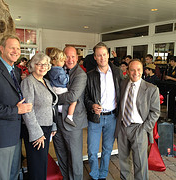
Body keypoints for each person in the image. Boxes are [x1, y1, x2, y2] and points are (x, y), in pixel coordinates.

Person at [0, 34, 33, 180]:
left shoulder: (16, 71)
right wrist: (17, 110)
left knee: (14, 174)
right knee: (2, 176)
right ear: (1, 49)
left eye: (18, 48)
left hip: (16, 133)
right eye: (12, 48)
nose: (16, 51)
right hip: (1, 135)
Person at [114, 59, 160, 180]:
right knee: (124, 160)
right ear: (128, 71)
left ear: (143, 70)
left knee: (140, 162)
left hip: (139, 128)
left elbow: (155, 112)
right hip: (123, 127)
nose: (135, 73)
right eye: (132, 70)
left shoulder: (151, 88)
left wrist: (144, 129)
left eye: (138, 69)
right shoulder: (123, 83)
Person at [84, 42, 121, 180]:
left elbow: (122, 92)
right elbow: (85, 97)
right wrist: (92, 105)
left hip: (112, 117)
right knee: (92, 151)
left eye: (104, 54)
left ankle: (103, 174)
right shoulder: (90, 75)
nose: (102, 58)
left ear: (108, 55)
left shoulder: (117, 72)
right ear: (95, 57)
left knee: (107, 149)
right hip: (95, 118)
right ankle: (94, 175)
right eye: (99, 55)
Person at [21, 53, 58, 180]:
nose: (43, 67)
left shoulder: (45, 81)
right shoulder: (28, 82)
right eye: (39, 64)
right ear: (32, 66)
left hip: (46, 129)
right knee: (37, 167)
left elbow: (51, 105)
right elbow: (27, 110)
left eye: (45, 64)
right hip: (36, 130)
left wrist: (53, 125)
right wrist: (37, 133)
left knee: (42, 165)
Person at [53, 46, 88, 180]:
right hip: (57, 119)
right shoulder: (57, 69)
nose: (70, 59)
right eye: (67, 56)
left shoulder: (80, 74)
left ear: (77, 58)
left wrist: (53, 98)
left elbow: (72, 96)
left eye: (73, 56)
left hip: (72, 122)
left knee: (74, 157)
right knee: (61, 154)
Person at [48, 48, 77, 127]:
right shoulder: (60, 70)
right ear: (56, 61)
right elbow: (63, 81)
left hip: (53, 88)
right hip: (61, 88)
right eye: (62, 61)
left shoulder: (50, 69)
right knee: (74, 101)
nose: (64, 63)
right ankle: (69, 116)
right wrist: (67, 76)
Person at [164, 56, 176, 127]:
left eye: (172, 61)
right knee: (170, 102)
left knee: (175, 104)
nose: (171, 63)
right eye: (170, 61)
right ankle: (170, 117)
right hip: (170, 87)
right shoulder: (169, 69)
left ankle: (174, 119)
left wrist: (170, 78)